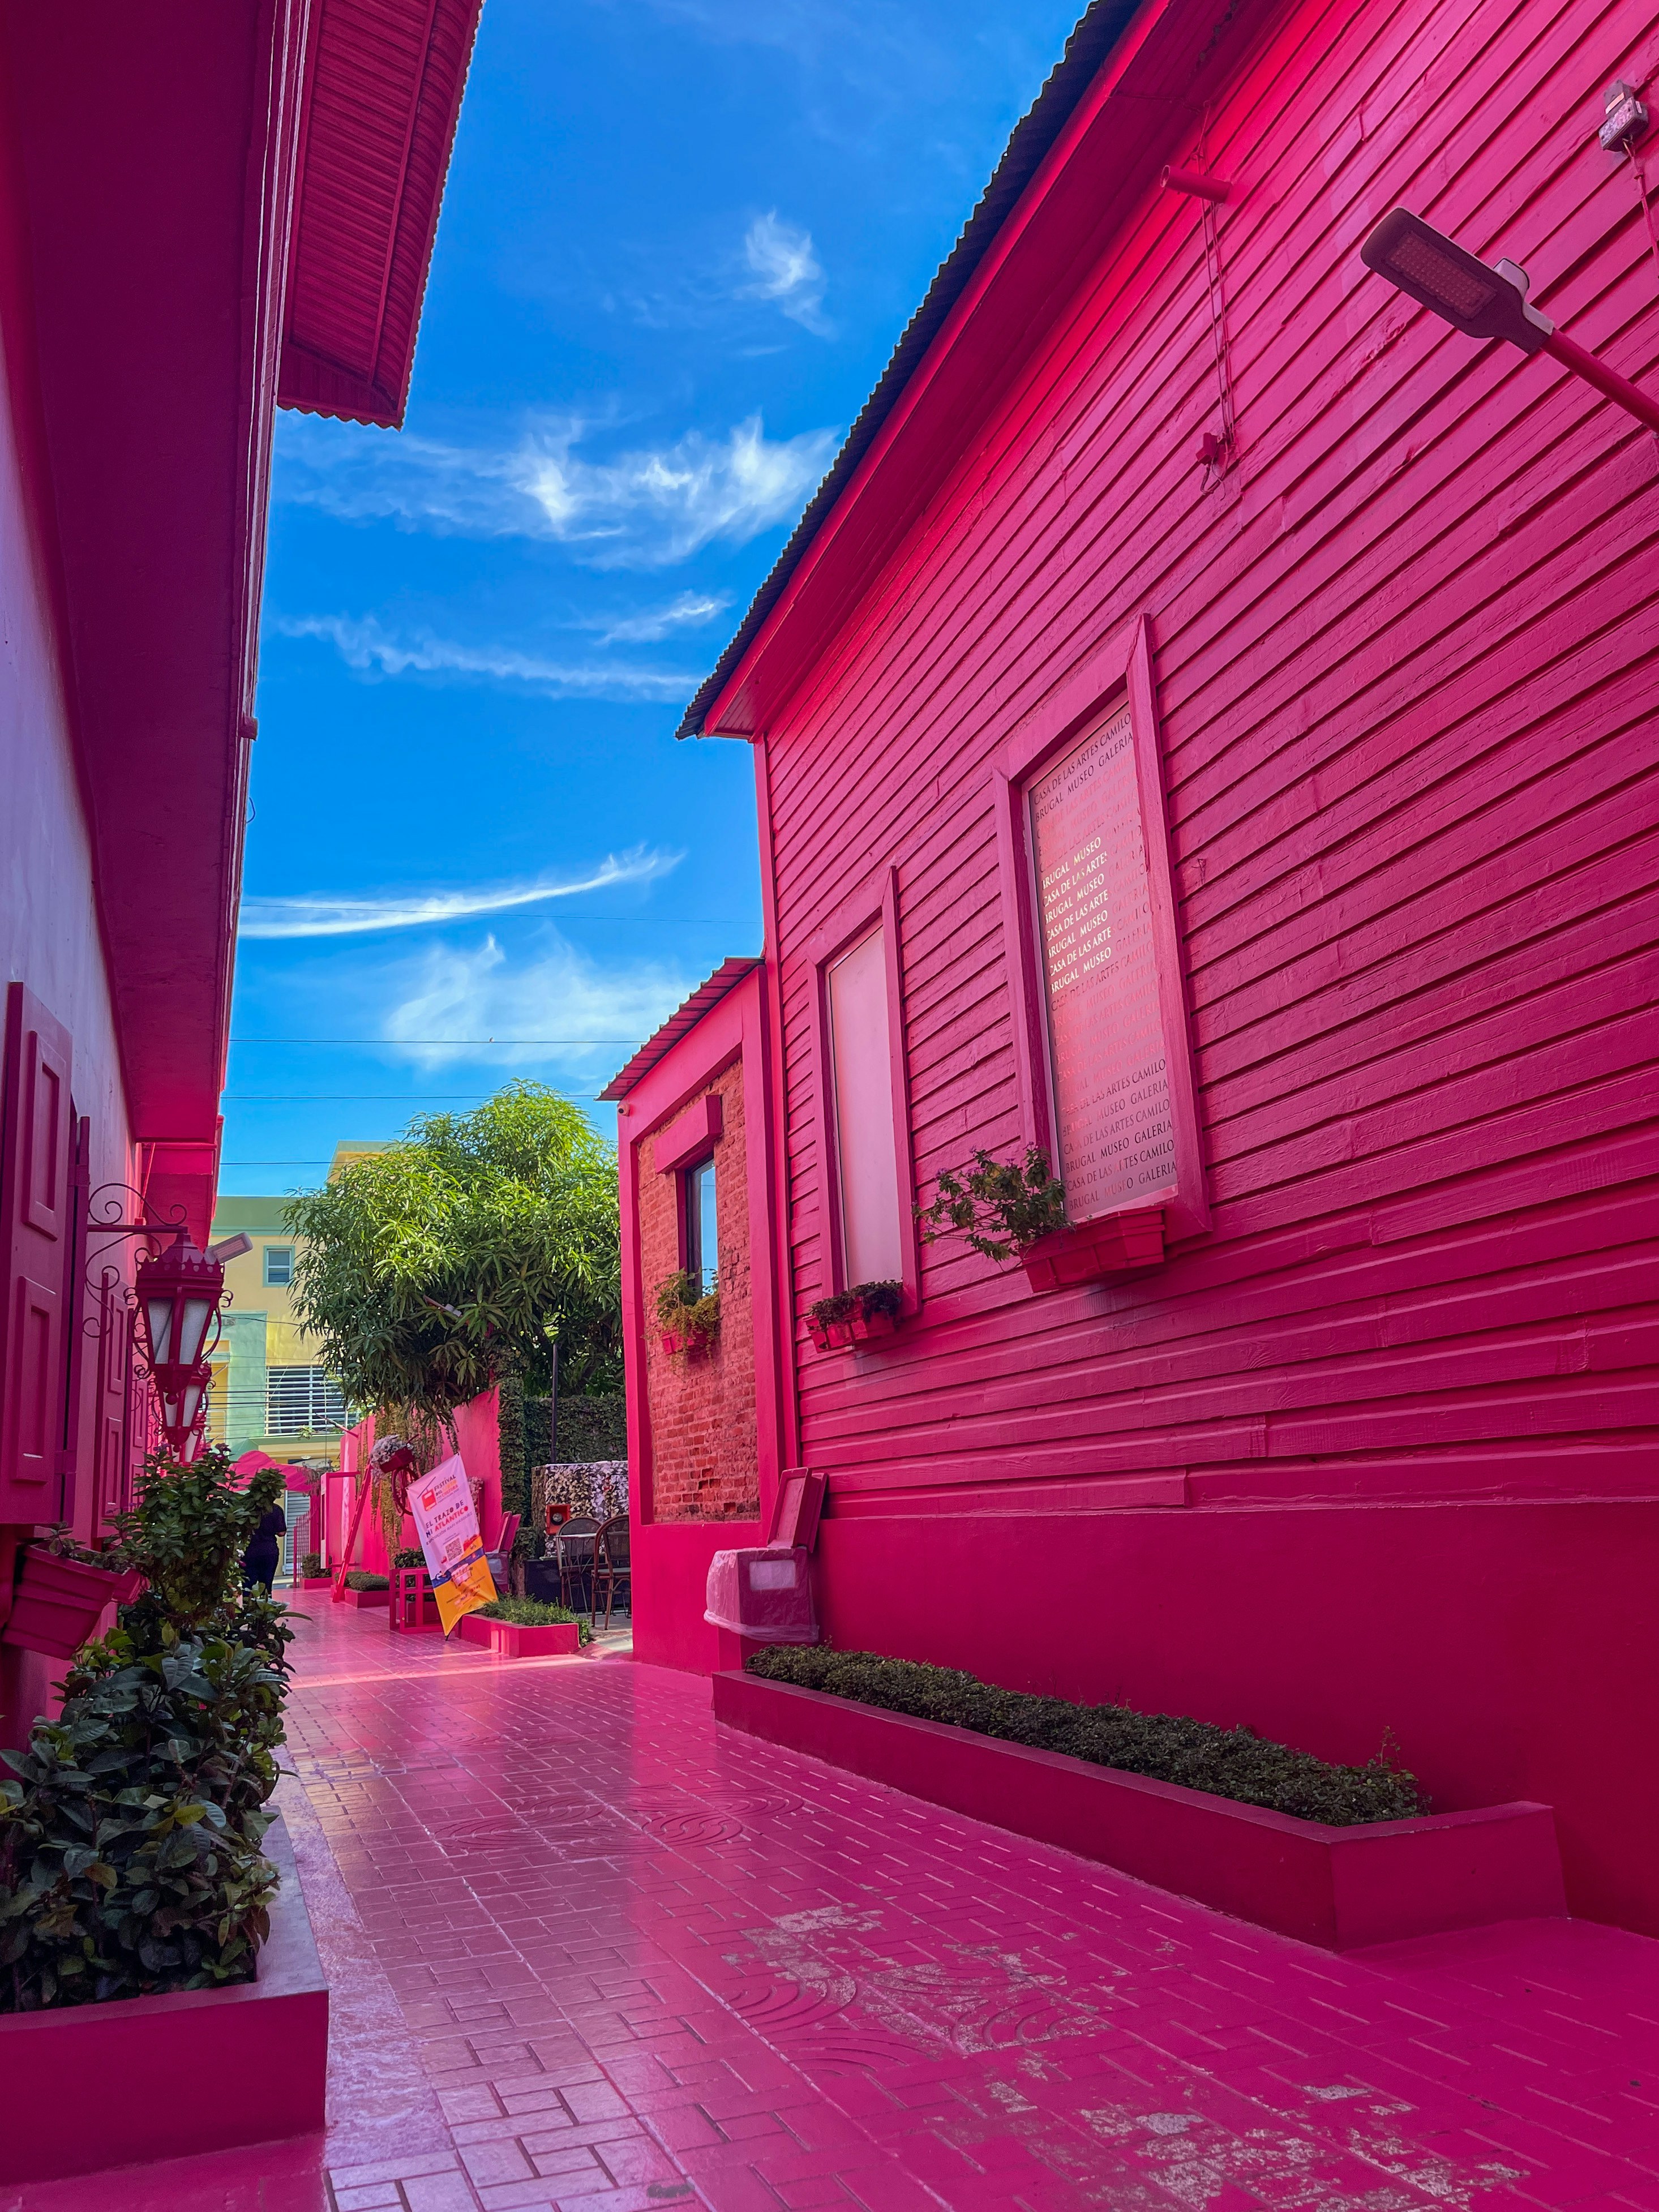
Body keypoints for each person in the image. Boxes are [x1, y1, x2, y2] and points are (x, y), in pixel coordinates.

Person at [242, 1501, 287, 1593]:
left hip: (249, 1551)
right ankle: (265, 1606)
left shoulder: (247, 1508)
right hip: (269, 1551)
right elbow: (282, 1533)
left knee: (248, 1586)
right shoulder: (276, 1509)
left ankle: (248, 1606)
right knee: (266, 1586)